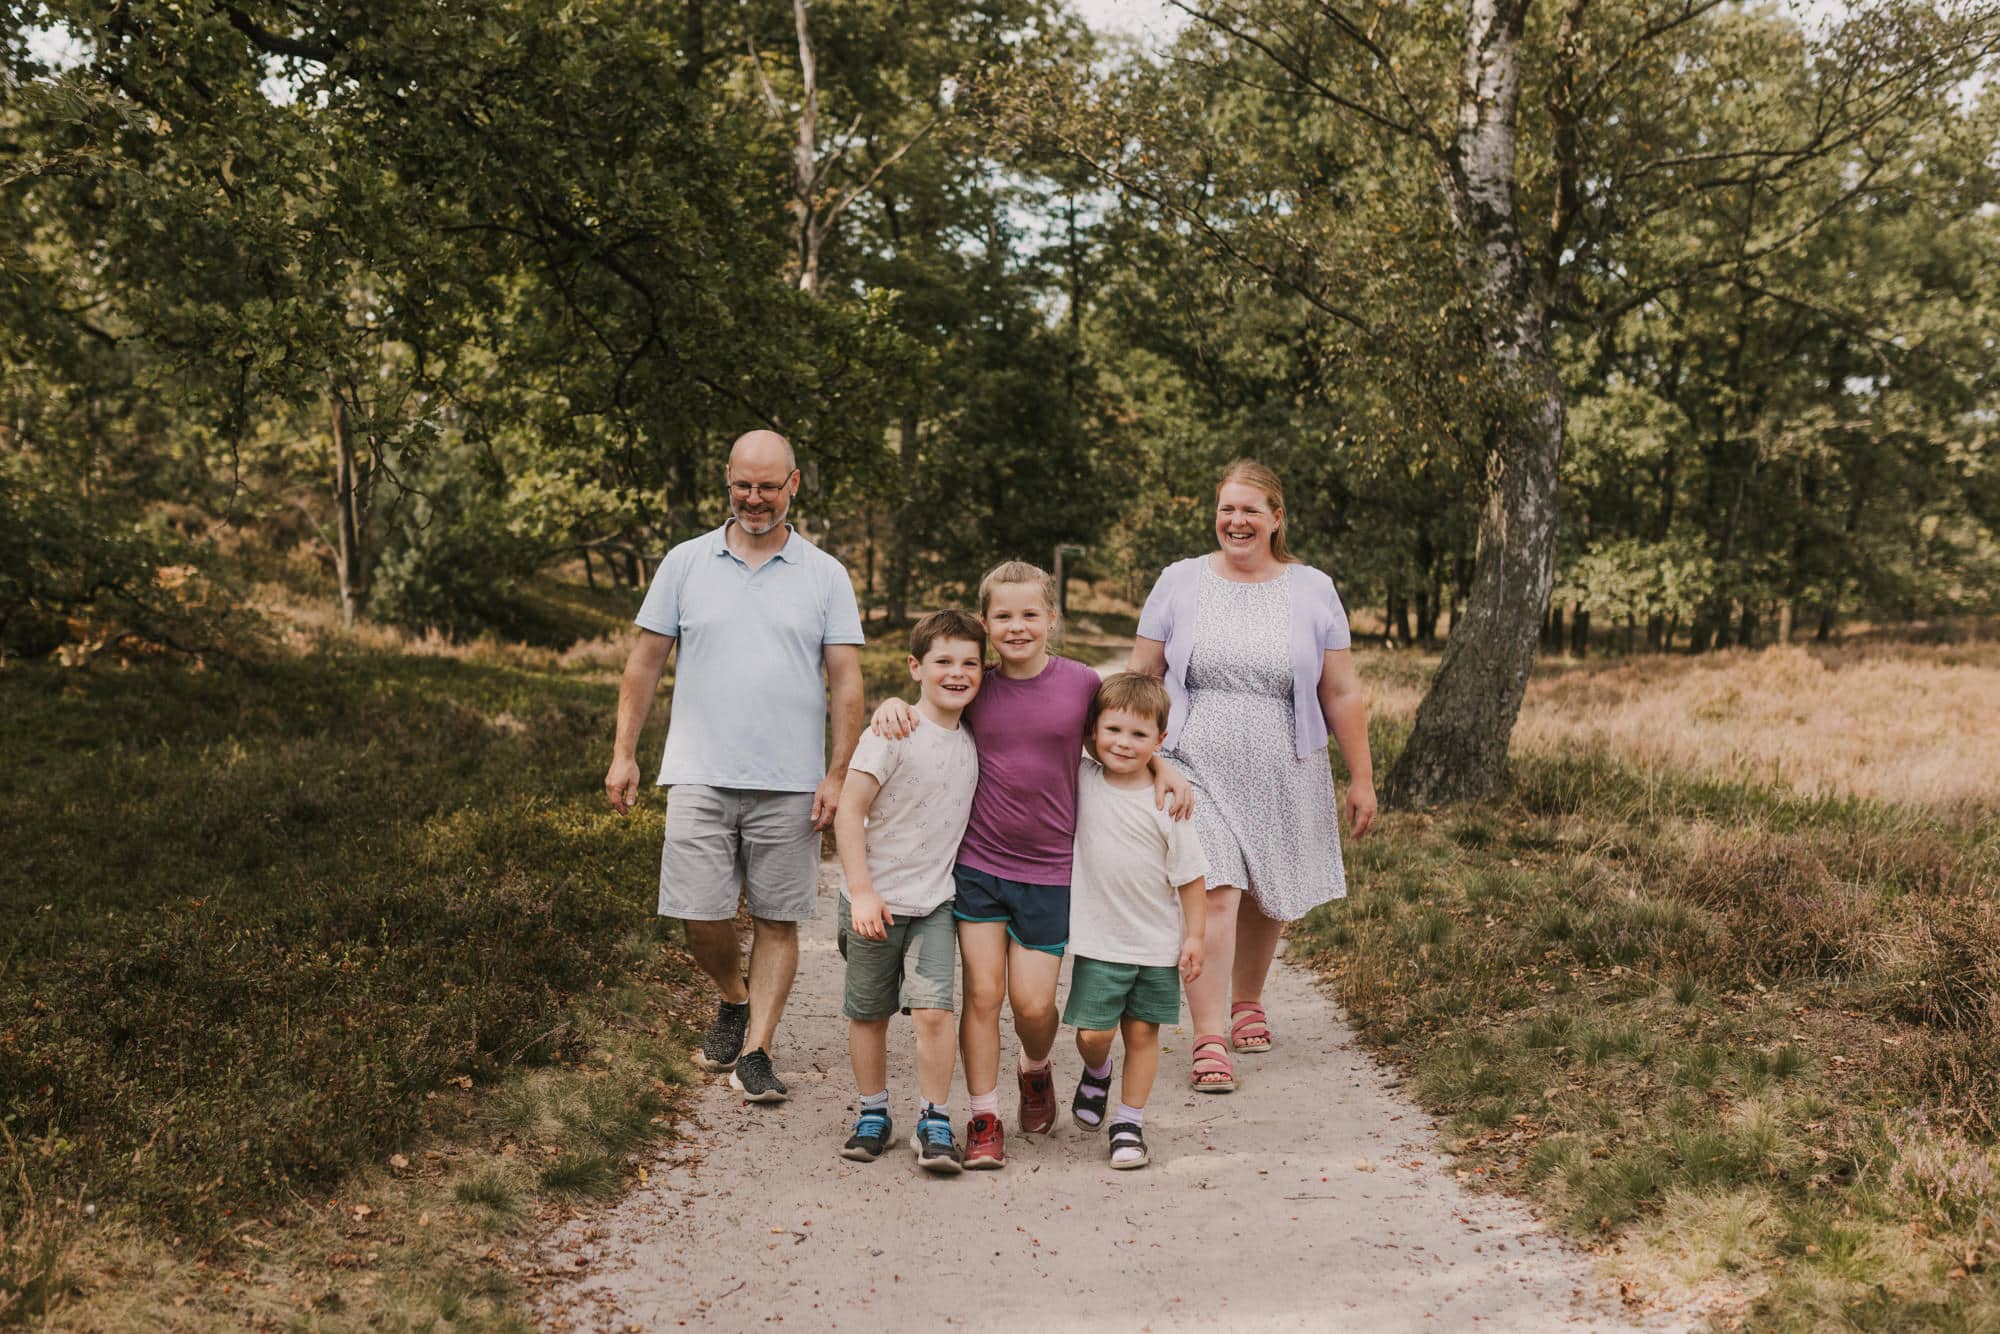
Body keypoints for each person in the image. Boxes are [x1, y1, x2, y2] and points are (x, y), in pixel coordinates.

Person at [871, 561, 1191, 1168]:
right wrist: (891, 702)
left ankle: (1036, 1067)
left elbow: (1122, 735)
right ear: (986, 622)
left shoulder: (1079, 684)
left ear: (1051, 619)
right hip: (980, 866)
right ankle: (985, 1116)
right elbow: (929, 700)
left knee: (1035, 1006)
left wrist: (1162, 766)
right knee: (984, 994)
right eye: (1002, 616)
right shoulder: (978, 684)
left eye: (1029, 614)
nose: (1016, 627)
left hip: (1049, 873)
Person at [603, 429, 865, 1106]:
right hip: (698, 772)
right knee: (700, 915)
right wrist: (624, 752)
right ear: (728, 481)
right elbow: (645, 662)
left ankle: (757, 1052)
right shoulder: (686, 563)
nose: (754, 499)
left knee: (778, 918)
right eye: (742, 486)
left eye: (768, 487)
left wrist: (837, 774)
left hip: (790, 783)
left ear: (794, 485)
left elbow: (847, 683)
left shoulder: (824, 574)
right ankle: (733, 998)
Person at [1128, 459, 1377, 1094]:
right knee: (1213, 891)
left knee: (1269, 891)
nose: (1236, 521)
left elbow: (1341, 691)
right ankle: (1209, 1034)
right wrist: (1143, 759)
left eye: (1250, 510)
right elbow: (1140, 681)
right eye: (1226, 510)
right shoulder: (1178, 581)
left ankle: (1247, 1001)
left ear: (1276, 518)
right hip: (1192, 761)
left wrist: (1362, 779)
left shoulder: (1313, 588)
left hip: (1284, 762)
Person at [831, 610, 986, 1174]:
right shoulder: (890, 733)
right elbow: (849, 813)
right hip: (875, 902)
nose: (957, 673)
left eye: (970, 663)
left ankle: (935, 1118)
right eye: (943, 661)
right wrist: (863, 891)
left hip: (936, 904)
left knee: (935, 1014)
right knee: (870, 1013)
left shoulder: (973, 737)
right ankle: (872, 1112)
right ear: (915, 667)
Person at [1062, 673, 1207, 1169]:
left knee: (1144, 1034)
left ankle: (1129, 1122)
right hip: (1100, 940)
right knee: (1093, 1034)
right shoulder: (1082, 777)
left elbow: (1190, 877)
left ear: (1160, 740)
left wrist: (1195, 937)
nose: (1124, 743)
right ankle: (1097, 1072)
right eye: (1113, 730)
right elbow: (1067, 735)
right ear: (1095, 731)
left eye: (1139, 735)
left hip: (1156, 942)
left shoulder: (1169, 802)